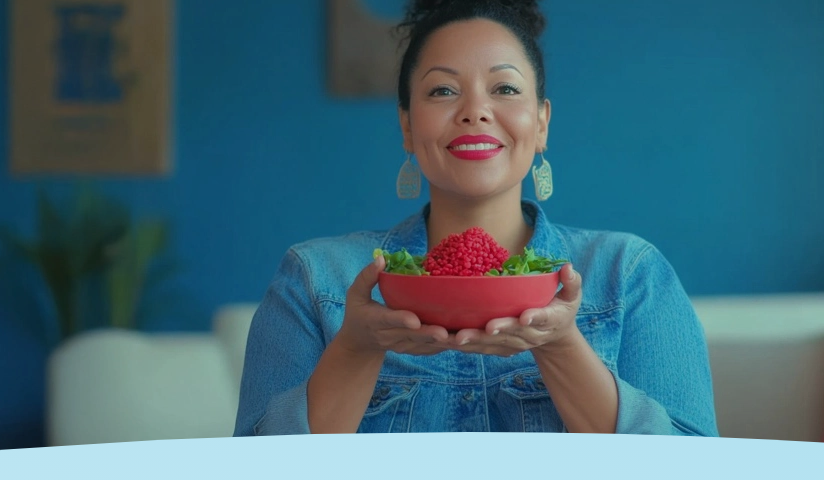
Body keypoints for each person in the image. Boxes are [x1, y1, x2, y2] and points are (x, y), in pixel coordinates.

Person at [233, 0, 718, 436]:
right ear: (406, 123)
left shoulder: (629, 275)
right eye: (443, 91)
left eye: (504, 87)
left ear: (542, 121)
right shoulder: (314, 279)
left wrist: (561, 345)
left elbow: (695, 469)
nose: (475, 111)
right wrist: (356, 348)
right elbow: (251, 470)